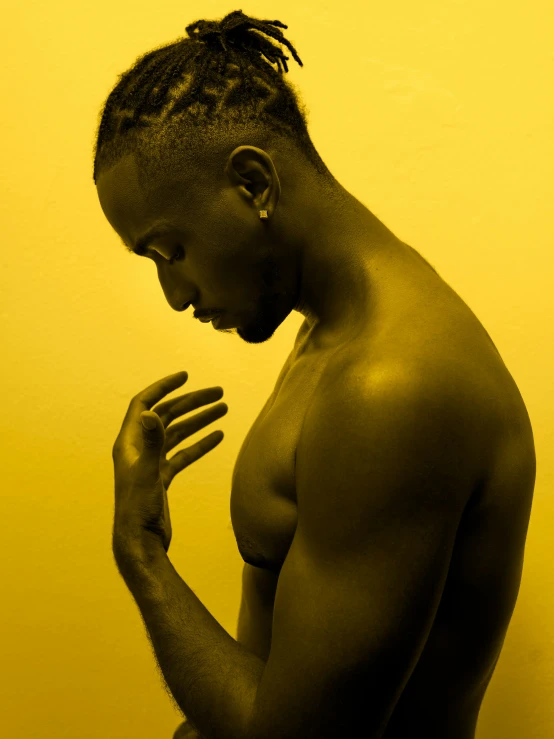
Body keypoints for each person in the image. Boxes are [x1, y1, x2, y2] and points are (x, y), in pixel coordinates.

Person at [94, 11, 536, 738]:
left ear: (253, 183)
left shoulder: (393, 387)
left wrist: (141, 552)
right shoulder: (329, 335)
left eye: (170, 250)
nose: (175, 295)